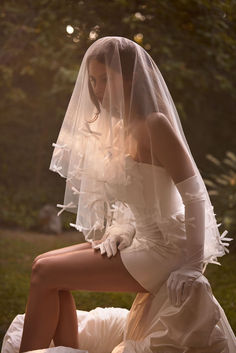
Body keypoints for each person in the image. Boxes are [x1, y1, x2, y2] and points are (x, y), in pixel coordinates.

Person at [2, 36, 235, 353]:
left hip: (168, 249)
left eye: (105, 79)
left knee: (46, 273)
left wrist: (192, 265)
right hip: (142, 240)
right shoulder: (119, 127)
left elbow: (194, 194)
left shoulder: (155, 124)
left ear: (130, 78)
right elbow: (136, 195)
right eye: (94, 81)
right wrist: (120, 231)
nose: (98, 90)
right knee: (42, 263)